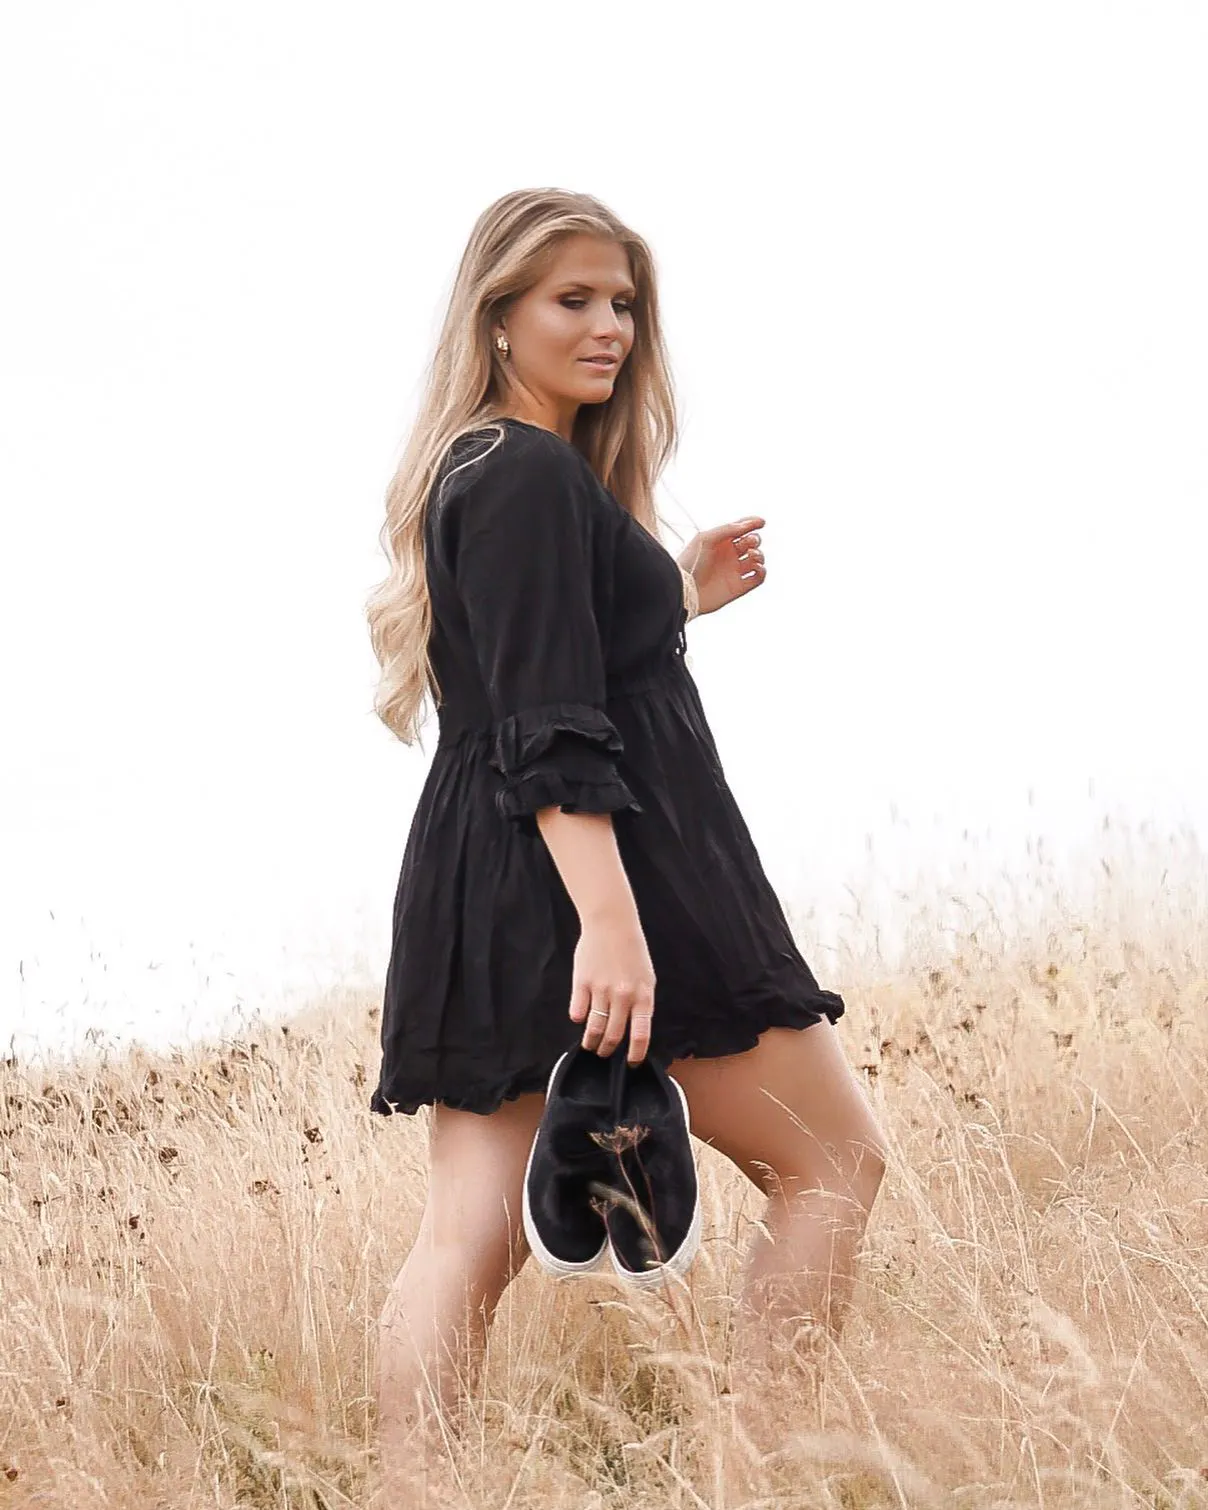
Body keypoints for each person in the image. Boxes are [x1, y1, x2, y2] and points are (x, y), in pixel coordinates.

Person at [363, 187, 889, 1488]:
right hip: (606, 879)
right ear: (496, 318)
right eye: (574, 300)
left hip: (492, 883)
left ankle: (413, 1487)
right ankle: (757, 1472)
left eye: (623, 303)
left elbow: (542, 666)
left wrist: (668, 594)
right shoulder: (528, 474)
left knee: (468, 1235)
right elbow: (550, 722)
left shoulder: (485, 469)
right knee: (833, 1160)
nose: (610, 326)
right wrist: (610, 921)